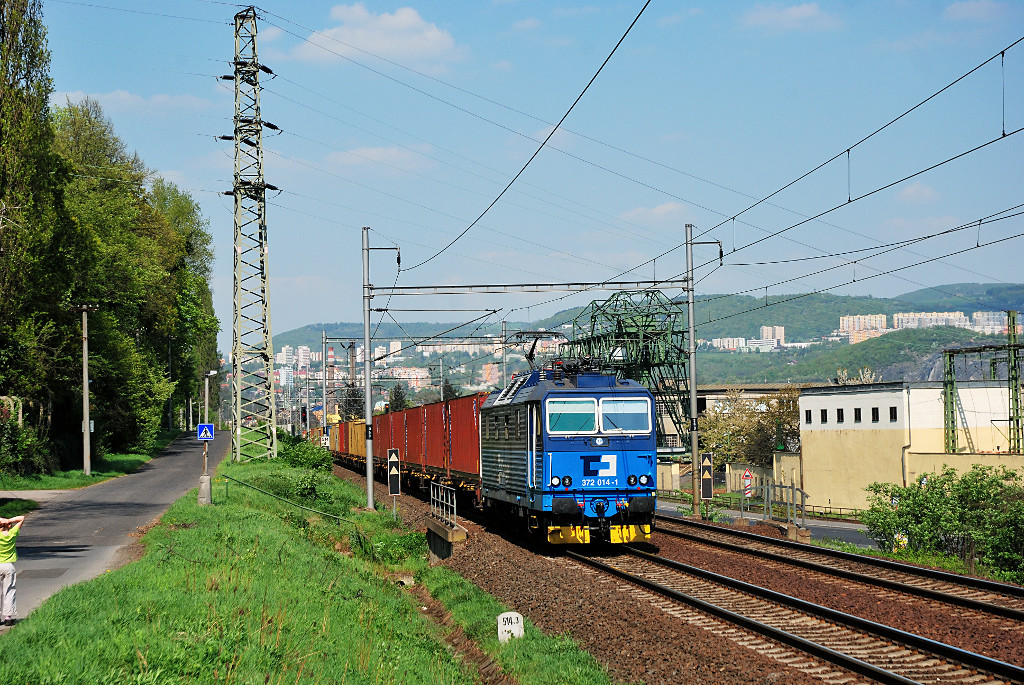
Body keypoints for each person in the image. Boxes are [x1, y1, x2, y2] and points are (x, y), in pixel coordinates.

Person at [0, 515, 25, 626]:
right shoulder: (12, 534)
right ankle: (8, 618)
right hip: (9, 566)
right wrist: (9, 521)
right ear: (9, 526)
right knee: (9, 591)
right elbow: (22, 518)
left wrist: (2, 521)